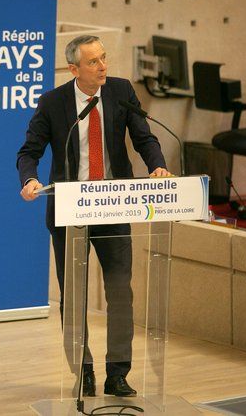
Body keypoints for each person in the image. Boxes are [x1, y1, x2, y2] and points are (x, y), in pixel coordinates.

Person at [16, 35, 171, 397]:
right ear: (74, 69)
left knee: (120, 292)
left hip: (114, 205)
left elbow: (144, 138)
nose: (103, 67)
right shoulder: (53, 102)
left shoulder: (120, 91)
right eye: (93, 62)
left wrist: (158, 166)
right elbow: (29, 151)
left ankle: (117, 374)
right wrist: (30, 179)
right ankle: (83, 370)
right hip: (71, 210)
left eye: (104, 58)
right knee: (74, 297)